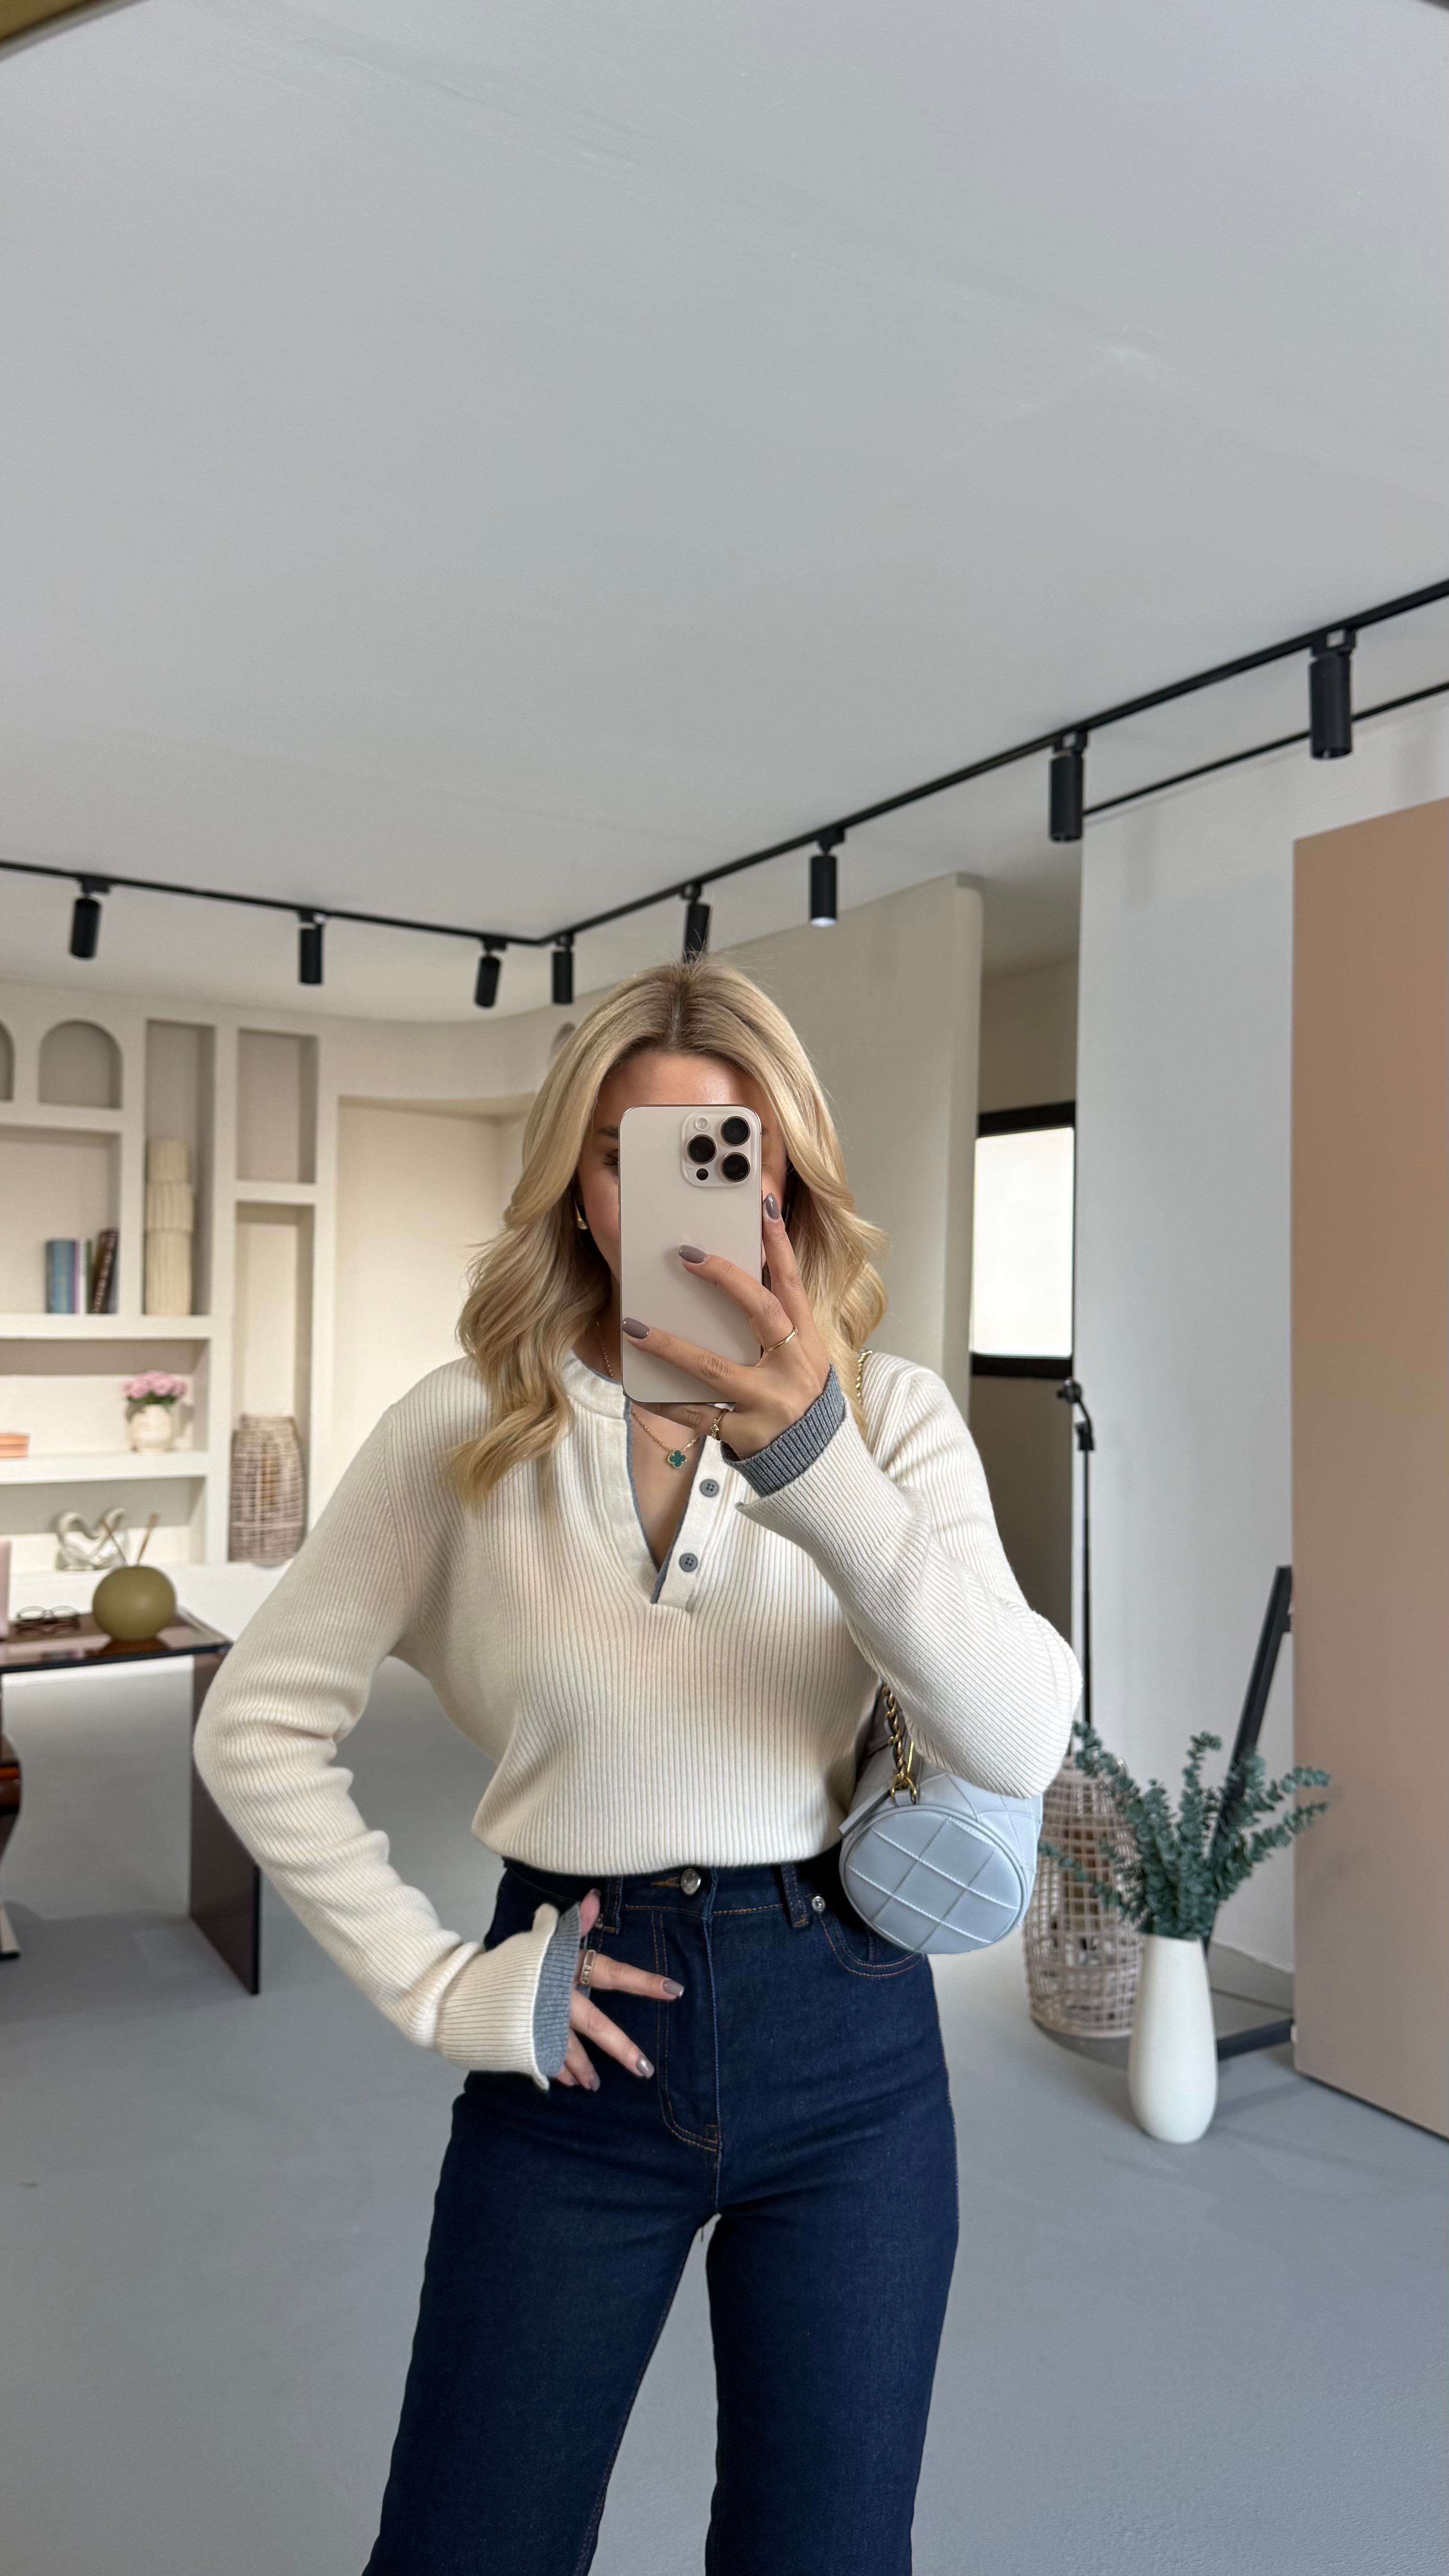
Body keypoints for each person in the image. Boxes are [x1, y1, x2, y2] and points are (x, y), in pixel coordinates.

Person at [193, 955, 1081, 2576]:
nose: (682, 1196)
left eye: (729, 1152)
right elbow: (253, 1725)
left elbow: (1020, 1735)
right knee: (471, 2545)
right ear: (578, 1186)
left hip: (851, 2039)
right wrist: (443, 1989)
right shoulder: (466, 1428)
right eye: (631, 1154)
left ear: (788, 1176)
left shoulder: (889, 1420)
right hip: (576, 2033)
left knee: (827, 2553)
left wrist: (812, 1459)